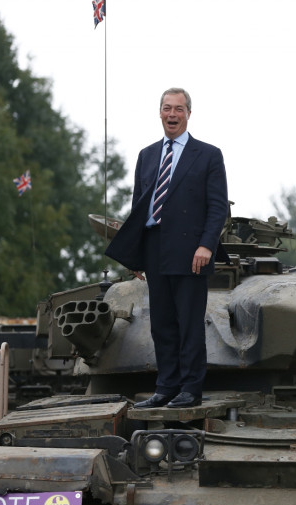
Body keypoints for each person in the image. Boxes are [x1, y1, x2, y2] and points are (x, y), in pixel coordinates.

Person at [105, 87, 228, 408]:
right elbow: (139, 207)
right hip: (154, 249)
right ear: (159, 112)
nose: (172, 114)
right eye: (167, 108)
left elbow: (217, 208)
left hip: (191, 252)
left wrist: (206, 246)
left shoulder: (209, 155)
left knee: (188, 324)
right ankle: (165, 388)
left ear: (189, 114)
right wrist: (136, 253)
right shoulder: (147, 156)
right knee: (161, 324)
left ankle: (190, 389)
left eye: (179, 109)